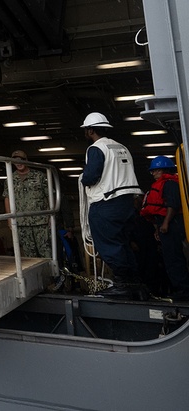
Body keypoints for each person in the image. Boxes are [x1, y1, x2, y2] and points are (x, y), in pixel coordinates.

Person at [79, 112, 146, 299]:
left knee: (109, 245)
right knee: (123, 243)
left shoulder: (96, 148)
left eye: (86, 130)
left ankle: (122, 284)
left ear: (91, 130)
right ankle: (135, 284)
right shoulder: (121, 147)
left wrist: (84, 178)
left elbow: (91, 176)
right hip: (126, 203)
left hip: (106, 203)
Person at [142, 156, 189, 298]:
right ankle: (180, 289)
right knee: (170, 259)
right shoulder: (163, 184)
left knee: (174, 258)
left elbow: (173, 205)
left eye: (155, 171)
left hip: (173, 224)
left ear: (163, 170)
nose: (153, 174)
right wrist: (158, 228)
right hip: (165, 224)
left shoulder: (169, 184)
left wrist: (166, 223)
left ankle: (184, 290)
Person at [2, 150, 52, 258]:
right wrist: (9, 219)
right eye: (15, 160)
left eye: (21, 160)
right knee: (29, 255)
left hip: (40, 221)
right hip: (22, 223)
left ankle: (49, 274)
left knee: (46, 252)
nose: (18, 163)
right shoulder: (10, 179)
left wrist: (51, 217)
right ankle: (35, 275)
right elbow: (7, 198)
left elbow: (49, 196)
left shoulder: (39, 176)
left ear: (26, 160)